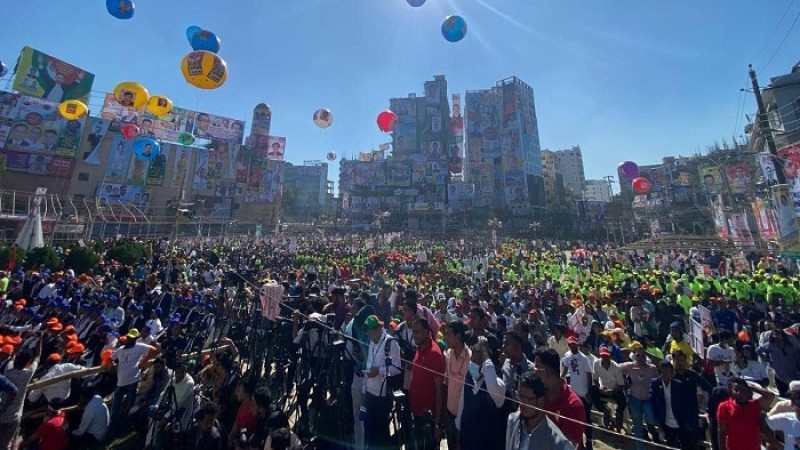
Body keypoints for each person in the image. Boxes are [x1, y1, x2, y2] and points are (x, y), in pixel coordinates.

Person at [456, 336, 506, 450]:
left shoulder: (498, 383)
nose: (472, 358)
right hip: (468, 441)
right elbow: (461, 408)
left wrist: (485, 355)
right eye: (471, 353)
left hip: (488, 443)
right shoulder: (468, 377)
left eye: (477, 354)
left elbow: (492, 386)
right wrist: (459, 438)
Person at [506, 370, 575, 450]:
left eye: (528, 399)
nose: (522, 404)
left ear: (541, 401)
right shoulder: (513, 421)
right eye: (520, 397)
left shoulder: (559, 443)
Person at [533, 347, 585, 449]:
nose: (534, 372)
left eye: (536, 368)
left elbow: (568, 446)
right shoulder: (536, 394)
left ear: (547, 371)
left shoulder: (573, 405)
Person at [362, 314, 401, 449]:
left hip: (382, 397)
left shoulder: (391, 343)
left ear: (379, 328)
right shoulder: (371, 342)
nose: (369, 334)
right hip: (369, 394)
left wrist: (380, 371)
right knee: (369, 432)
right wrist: (364, 389)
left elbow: (397, 368)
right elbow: (368, 364)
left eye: (371, 331)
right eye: (368, 331)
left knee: (381, 434)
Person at [109, 328, 156, 437]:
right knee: (115, 407)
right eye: (128, 337)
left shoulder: (140, 347)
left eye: (131, 338)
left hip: (132, 381)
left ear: (135, 339)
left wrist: (143, 362)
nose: (129, 340)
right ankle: (113, 427)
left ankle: (124, 426)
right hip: (120, 382)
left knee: (129, 406)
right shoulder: (120, 349)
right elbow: (111, 358)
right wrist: (111, 366)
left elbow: (155, 350)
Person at [408, 316, 445, 450]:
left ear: (426, 332)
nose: (414, 335)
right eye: (413, 332)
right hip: (417, 413)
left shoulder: (435, 353)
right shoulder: (419, 347)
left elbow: (440, 389)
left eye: (417, 332)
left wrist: (437, 424)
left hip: (429, 418)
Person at [717, 377, 775, 450]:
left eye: (743, 390)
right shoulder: (724, 407)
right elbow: (721, 431)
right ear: (730, 391)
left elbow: (770, 396)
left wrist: (751, 387)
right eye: (736, 390)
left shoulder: (754, 405)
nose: (740, 393)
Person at [649, 361, 693, 450]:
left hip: (680, 422)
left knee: (686, 445)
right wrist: (658, 422)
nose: (672, 373)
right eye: (670, 371)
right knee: (671, 446)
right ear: (662, 372)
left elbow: (686, 404)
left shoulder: (679, 385)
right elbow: (653, 402)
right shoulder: (655, 384)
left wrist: (687, 421)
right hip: (666, 422)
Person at [560, 336, 593, 450]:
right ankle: (580, 442)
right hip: (574, 391)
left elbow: (589, 374)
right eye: (571, 344)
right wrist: (561, 377)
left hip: (584, 391)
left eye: (574, 344)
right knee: (576, 419)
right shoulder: (567, 356)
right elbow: (564, 367)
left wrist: (589, 391)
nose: (572, 346)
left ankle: (589, 440)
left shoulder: (584, 358)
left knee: (587, 418)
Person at [444, 320, 471, 450]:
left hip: (465, 418)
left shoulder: (470, 358)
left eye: (448, 334)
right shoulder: (448, 354)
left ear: (458, 337)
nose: (446, 337)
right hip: (449, 415)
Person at [591, 346, 626, 432]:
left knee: (622, 401)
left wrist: (613, 391)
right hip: (603, 388)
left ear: (609, 356)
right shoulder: (596, 364)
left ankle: (618, 424)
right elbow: (595, 379)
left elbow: (621, 385)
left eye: (606, 356)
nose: (605, 358)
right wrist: (599, 387)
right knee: (592, 390)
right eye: (603, 356)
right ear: (600, 356)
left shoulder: (616, 367)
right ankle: (604, 410)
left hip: (615, 389)